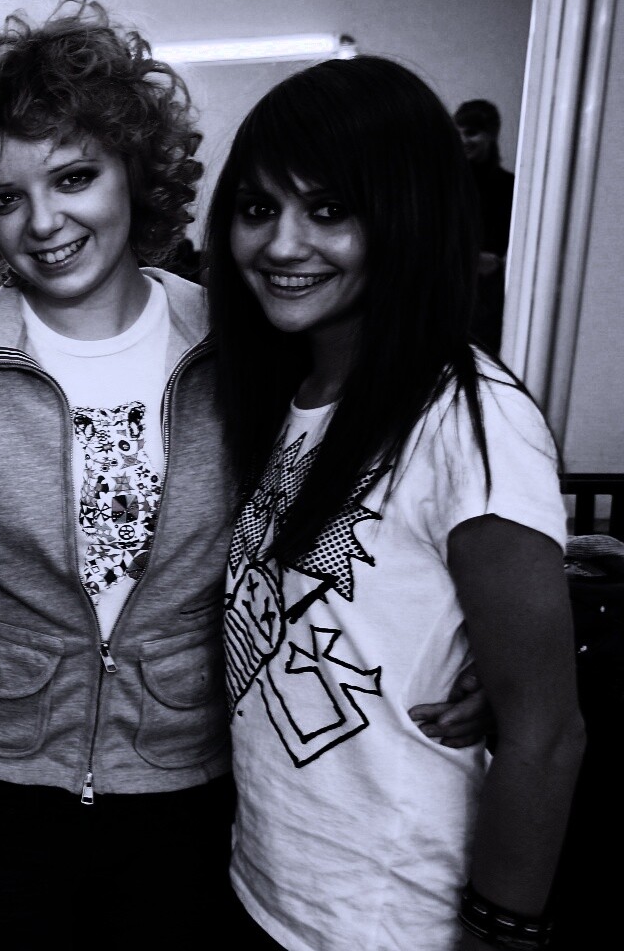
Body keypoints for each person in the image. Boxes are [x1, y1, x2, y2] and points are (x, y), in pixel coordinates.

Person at [208, 57, 584, 950]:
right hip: (267, 888)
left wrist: (499, 932)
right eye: (258, 208)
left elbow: (546, 732)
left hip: (390, 919)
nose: (282, 245)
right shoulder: (288, 394)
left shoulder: (470, 420)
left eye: (329, 210)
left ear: (407, 217)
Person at [0, 0, 238, 948]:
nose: (45, 222)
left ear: (137, 167)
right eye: (5, 198)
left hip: (181, 771)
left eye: (75, 176)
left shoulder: (230, 348)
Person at [454, 99, 516, 349]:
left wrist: (496, 263)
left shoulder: (511, 188)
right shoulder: (444, 185)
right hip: (447, 289)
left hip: (489, 296)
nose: (463, 140)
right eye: (458, 133)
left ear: (491, 134)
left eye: (471, 132)